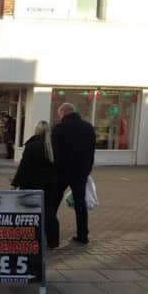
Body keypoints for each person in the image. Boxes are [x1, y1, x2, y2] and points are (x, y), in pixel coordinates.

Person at [51, 103, 96, 247]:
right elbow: (91, 151)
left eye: (60, 114)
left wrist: (56, 169)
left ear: (63, 113)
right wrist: (87, 169)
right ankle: (83, 235)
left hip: (62, 172)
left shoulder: (59, 128)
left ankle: (50, 234)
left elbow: (55, 152)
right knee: (80, 203)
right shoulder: (88, 127)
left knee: (53, 202)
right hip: (81, 172)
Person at [11, 121, 58, 248]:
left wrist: (15, 183)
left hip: (30, 183)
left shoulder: (32, 146)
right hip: (49, 185)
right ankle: (53, 241)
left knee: (27, 211)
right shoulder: (53, 146)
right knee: (49, 213)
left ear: (37, 130)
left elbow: (24, 167)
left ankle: (27, 237)